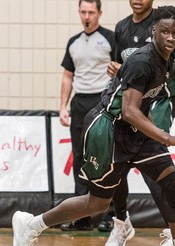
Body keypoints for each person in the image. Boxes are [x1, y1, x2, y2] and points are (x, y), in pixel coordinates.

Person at [12, 6, 175, 246]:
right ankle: (32, 225)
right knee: (97, 203)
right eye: (165, 31)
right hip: (108, 130)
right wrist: (168, 137)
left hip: (137, 131)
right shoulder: (142, 61)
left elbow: (150, 101)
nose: (171, 37)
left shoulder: (166, 59)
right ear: (153, 31)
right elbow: (129, 111)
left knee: (172, 182)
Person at [100, 0, 175, 246]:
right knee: (116, 163)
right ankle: (121, 221)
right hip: (132, 101)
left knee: (155, 165)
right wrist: (116, 69)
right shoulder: (121, 26)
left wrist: (161, 72)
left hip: (159, 101)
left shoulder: (164, 24)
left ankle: (171, 233)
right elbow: (122, 64)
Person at [58, 0, 116, 231]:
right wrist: (63, 106)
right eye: (83, 12)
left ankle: (109, 215)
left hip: (102, 101)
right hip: (80, 102)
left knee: (105, 158)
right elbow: (67, 76)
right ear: (79, 13)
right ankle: (80, 217)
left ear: (99, 13)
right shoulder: (73, 42)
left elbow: (122, 69)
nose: (87, 16)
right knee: (80, 157)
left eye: (91, 12)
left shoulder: (111, 38)